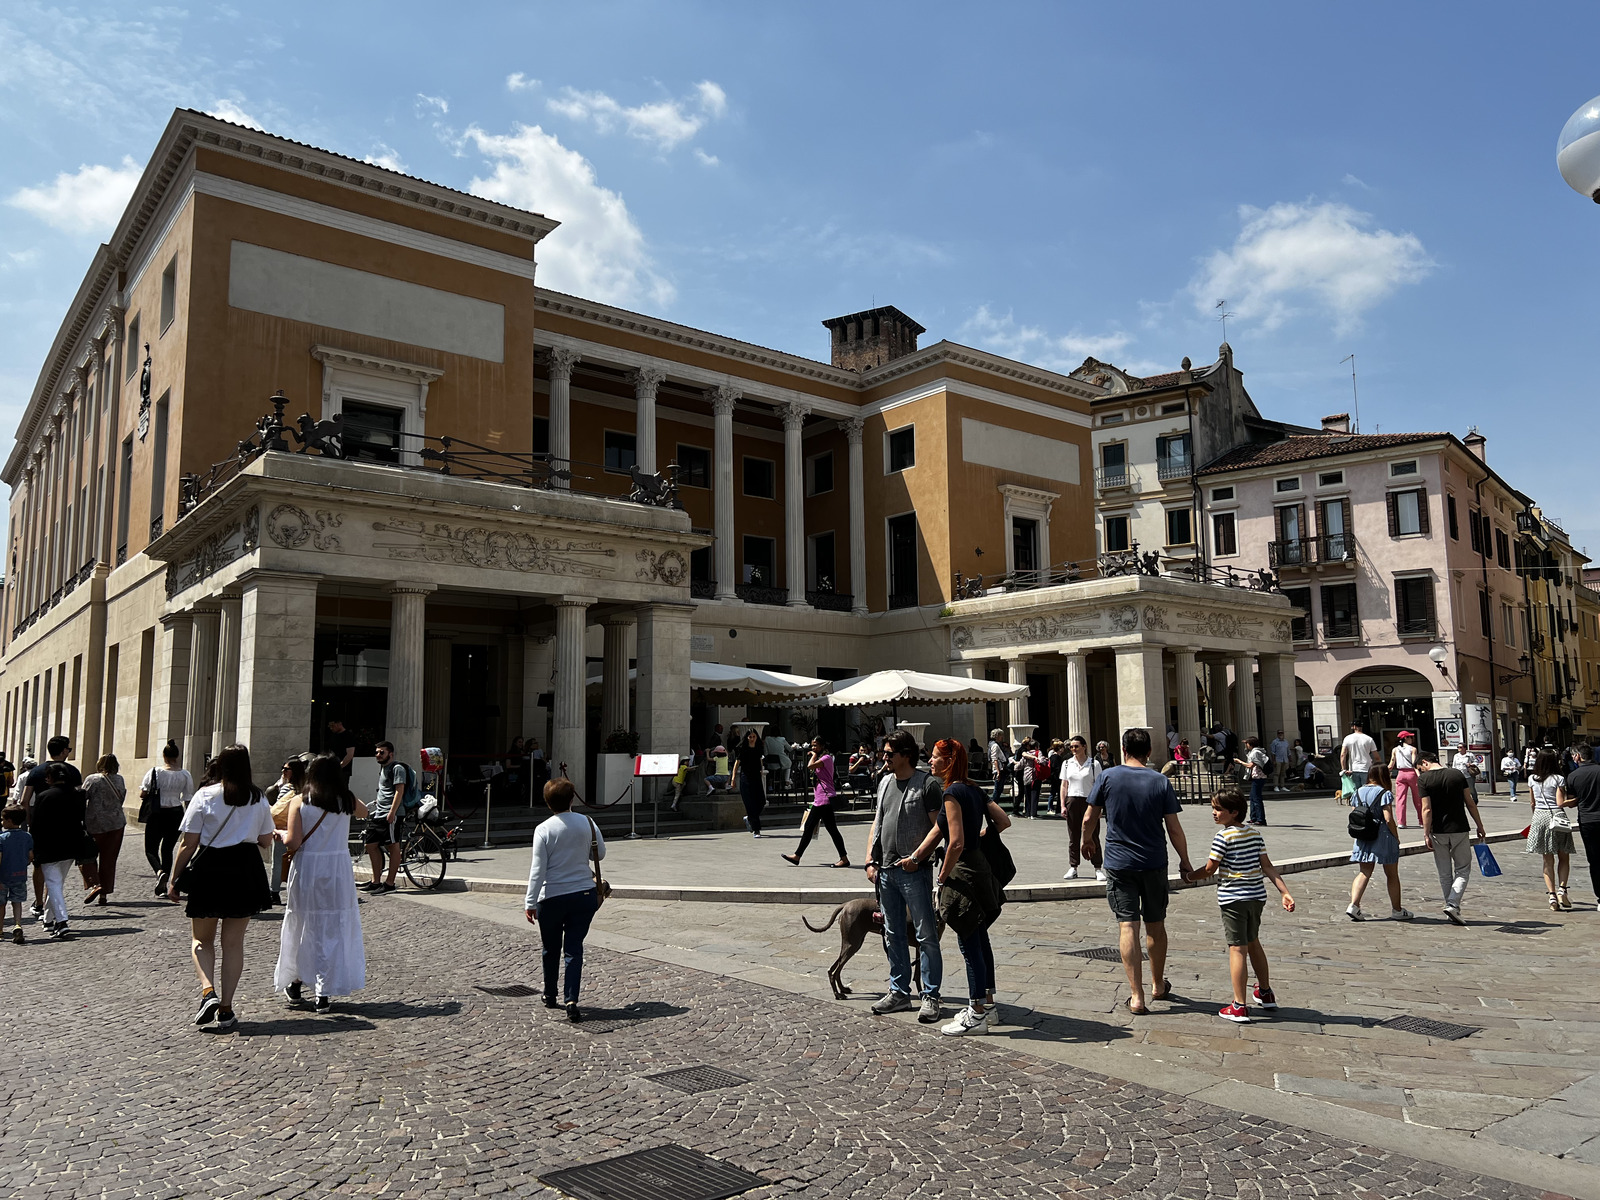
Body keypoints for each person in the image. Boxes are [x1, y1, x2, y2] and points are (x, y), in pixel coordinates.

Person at [1081, 728, 1192, 1015]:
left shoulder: (1107, 776)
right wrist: (1185, 860)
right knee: (1156, 924)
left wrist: (1087, 840)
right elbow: (1174, 828)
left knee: (1127, 925)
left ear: (1123, 748)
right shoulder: (1160, 781)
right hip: (1154, 861)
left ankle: (1136, 995)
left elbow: (1089, 817)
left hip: (1119, 863)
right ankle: (1157, 983)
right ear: (1150, 751)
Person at [168, 744, 275, 1031]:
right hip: (245, 866)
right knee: (233, 943)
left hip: (212, 867)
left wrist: (173, 878)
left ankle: (207, 991)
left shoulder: (205, 795)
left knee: (202, 940)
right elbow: (266, 840)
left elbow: (188, 843)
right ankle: (226, 1008)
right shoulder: (258, 797)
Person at [1185, 789, 1295, 1023]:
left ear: (1233, 812)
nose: (1214, 813)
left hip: (1233, 898)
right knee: (1253, 941)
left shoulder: (1223, 837)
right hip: (1256, 897)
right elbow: (1267, 866)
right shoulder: (1254, 834)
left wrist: (1188, 877)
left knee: (1237, 948)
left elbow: (1209, 869)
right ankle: (1265, 992)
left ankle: (1239, 1005)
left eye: (1218, 809)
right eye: (1213, 808)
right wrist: (1284, 892)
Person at [930, 738, 1011, 1036]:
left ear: (948, 762)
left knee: (969, 942)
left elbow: (955, 842)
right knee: (981, 939)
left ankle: (975, 1013)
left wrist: (942, 877)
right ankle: (988, 1005)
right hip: (982, 870)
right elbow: (1003, 821)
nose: (930, 762)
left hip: (963, 874)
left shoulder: (951, 792)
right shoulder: (974, 788)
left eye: (935, 757)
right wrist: (981, 834)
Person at [864, 728, 946, 1024]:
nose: (884, 757)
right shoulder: (885, 781)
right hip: (885, 871)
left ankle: (930, 996)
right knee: (893, 933)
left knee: (926, 935)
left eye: (889, 753)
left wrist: (916, 857)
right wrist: (869, 860)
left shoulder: (927, 784)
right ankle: (899, 991)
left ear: (906, 756)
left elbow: (939, 828)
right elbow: (879, 820)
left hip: (914, 872)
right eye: (884, 752)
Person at [275, 754, 367, 1013]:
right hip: (337, 869)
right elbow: (365, 811)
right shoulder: (345, 799)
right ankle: (323, 991)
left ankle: (295, 981)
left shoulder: (300, 800)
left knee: (302, 923)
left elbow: (293, 842)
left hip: (308, 867)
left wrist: (280, 834)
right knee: (331, 926)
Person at [524, 778, 604, 1022]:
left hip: (552, 897)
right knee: (574, 948)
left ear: (548, 803)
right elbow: (600, 853)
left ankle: (550, 994)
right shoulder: (588, 822)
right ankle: (572, 1000)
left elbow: (538, 870)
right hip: (583, 895)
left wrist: (529, 902)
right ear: (572, 799)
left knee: (551, 948)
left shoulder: (544, 829)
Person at [1416, 748, 1487, 926]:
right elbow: (1469, 802)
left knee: (1444, 872)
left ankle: (1451, 907)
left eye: (1420, 767)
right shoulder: (1456, 774)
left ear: (1425, 762)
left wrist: (1426, 833)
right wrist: (1479, 825)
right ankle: (1453, 904)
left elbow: (1427, 809)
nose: (1420, 771)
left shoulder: (1424, 779)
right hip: (1459, 828)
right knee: (1463, 869)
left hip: (1438, 830)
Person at [20, 735, 81, 913]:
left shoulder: (36, 771)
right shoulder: (73, 772)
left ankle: (39, 902)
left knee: (39, 864)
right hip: (66, 825)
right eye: (68, 749)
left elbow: (25, 800)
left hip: (42, 823)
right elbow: (78, 799)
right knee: (58, 864)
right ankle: (50, 902)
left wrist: (30, 821)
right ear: (63, 751)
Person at [1346, 764, 1411, 921]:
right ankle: (1397, 910)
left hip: (1363, 835)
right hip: (1382, 836)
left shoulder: (1358, 791)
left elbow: (1356, 813)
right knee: (1392, 874)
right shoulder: (1384, 793)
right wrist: (1396, 836)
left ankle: (1354, 905)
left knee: (1364, 871)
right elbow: (1388, 818)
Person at [31, 762, 88, 940]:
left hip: (49, 846)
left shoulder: (44, 796)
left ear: (50, 778)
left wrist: (33, 847)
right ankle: (48, 919)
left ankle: (62, 921)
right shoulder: (77, 795)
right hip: (71, 845)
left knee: (54, 884)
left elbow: (37, 825)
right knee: (56, 883)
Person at [783, 737, 850, 867]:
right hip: (821, 798)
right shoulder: (823, 758)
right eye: (812, 746)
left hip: (824, 799)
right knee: (830, 830)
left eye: (816, 746)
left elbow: (810, 766)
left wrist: (813, 755)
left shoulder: (826, 758)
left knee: (810, 828)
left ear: (823, 746)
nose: (813, 748)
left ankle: (797, 856)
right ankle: (844, 858)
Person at [1525, 749, 1576, 912]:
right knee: (1563, 856)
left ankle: (1552, 895)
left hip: (1539, 816)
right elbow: (1560, 802)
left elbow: (1532, 803)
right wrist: (1574, 801)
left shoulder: (1532, 778)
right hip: (1557, 817)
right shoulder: (1559, 778)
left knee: (1547, 860)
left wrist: (1536, 818)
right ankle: (1562, 890)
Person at [141, 740, 193, 897]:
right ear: (177, 756)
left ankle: (159, 872)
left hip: (157, 812)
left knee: (151, 848)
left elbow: (144, 792)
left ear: (164, 756)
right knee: (168, 848)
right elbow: (188, 798)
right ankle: (165, 884)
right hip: (176, 812)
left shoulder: (155, 772)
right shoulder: (185, 774)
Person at [362, 741, 411, 893]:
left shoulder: (397, 768)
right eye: (376, 752)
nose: (378, 755)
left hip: (391, 814)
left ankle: (389, 884)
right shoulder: (383, 769)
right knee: (370, 845)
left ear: (391, 753)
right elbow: (385, 791)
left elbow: (399, 791)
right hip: (378, 813)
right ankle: (375, 881)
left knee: (393, 846)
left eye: (381, 752)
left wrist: (392, 812)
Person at [81, 755, 126, 906]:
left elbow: (82, 797)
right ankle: (104, 895)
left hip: (95, 823)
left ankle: (95, 884)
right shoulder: (119, 779)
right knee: (109, 860)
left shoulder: (92, 779)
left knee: (87, 855)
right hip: (117, 823)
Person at [1060, 735, 1104, 881]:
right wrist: (1062, 805)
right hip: (1072, 800)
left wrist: (1099, 807)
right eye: (1071, 747)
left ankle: (1098, 867)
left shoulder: (1094, 764)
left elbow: (1099, 786)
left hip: (1089, 801)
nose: (1073, 749)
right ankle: (1073, 866)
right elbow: (1064, 785)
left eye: (1076, 746)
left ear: (1084, 747)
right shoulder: (1067, 763)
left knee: (1093, 834)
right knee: (1074, 836)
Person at [1563, 743, 1600, 910]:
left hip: (1587, 821)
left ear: (1578, 756)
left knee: (1595, 861)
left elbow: (1571, 801)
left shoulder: (1573, 776)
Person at [268, 758, 308, 903]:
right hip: (301, 829)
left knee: (278, 861)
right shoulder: (307, 789)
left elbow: (278, 810)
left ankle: (274, 892)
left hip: (282, 829)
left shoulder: (286, 788)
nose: (283, 772)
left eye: (286, 769)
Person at [0, 807, 31, 942]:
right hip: (20, 875)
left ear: (9, 821)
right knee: (17, 902)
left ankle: (0, 929)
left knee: (1, 903)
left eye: (3, 820)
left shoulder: (2, 838)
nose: (1, 822)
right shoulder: (27, 836)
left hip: (3, 876)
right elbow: (30, 856)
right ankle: (18, 924)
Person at [729, 728, 767, 837]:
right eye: (750, 737)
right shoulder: (742, 749)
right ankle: (756, 829)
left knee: (761, 802)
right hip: (745, 778)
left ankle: (750, 818)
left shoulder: (759, 748)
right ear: (747, 738)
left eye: (754, 737)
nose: (752, 739)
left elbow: (760, 761)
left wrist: (761, 772)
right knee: (750, 804)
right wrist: (733, 778)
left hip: (756, 777)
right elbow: (737, 763)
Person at [1387, 731, 1420, 828]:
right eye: (1410, 737)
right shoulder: (1413, 749)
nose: (1411, 739)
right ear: (1405, 738)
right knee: (1417, 798)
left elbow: (1391, 764)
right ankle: (1421, 821)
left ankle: (1401, 822)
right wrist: (1419, 775)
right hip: (1411, 774)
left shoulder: (1395, 750)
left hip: (1400, 774)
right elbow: (1414, 763)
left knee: (1400, 799)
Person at [1339, 721, 1377, 806]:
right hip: (1367, 768)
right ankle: (1367, 808)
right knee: (1367, 791)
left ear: (1354, 727)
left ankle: (1357, 810)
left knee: (1356, 792)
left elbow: (1343, 755)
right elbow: (1376, 756)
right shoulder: (1369, 739)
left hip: (1353, 769)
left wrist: (1344, 769)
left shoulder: (1347, 738)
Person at [1243, 736, 1270, 825]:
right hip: (1257, 777)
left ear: (1251, 744)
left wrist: (1239, 762)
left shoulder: (1256, 753)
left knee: (1257, 798)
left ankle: (1261, 819)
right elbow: (1249, 756)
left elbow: (1250, 765)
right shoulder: (1254, 752)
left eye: (1247, 744)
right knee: (1252, 797)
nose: (1246, 745)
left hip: (1259, 777)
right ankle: (1253, 817)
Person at [326, 719, 356, 790]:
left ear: (339, 723)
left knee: (342, 791)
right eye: (330, 726)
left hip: (342, 770)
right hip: (331, 769)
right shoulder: (333, 736)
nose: (331, 728)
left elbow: (350, 755)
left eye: (333, 726)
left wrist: (340, 766)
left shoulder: (348, 736)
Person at [986, 729, 1010, 808]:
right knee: (998, 789)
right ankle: (993, 807)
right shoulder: (995, 746)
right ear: (997, 736)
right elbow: (994, 759)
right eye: (1000, 735)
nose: (1002, 737)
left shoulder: (991, 744)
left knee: (999, 789)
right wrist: (998, 771)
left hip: (997, 769)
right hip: (999, 769)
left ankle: (994, 806)